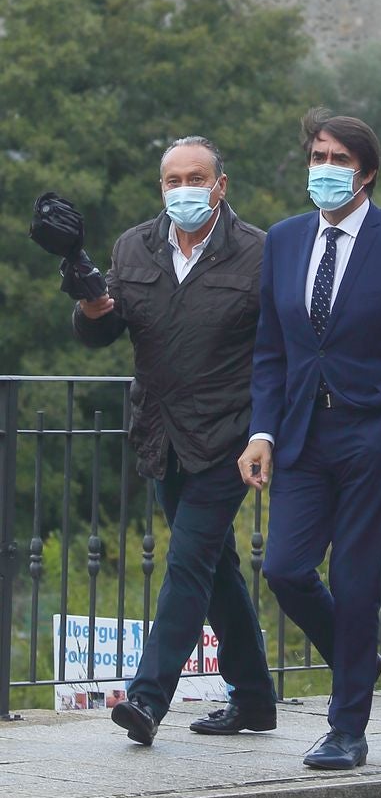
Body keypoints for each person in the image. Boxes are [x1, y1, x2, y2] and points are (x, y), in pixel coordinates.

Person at [238, 109, 381, 771]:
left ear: (367, 172)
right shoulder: (283, 240)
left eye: (340, 159)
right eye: (317, 156)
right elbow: (270, 350)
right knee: (284, 566)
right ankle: (357, 653)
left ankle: (347, 727)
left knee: (355, 576)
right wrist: (262, 430)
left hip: (374, 432)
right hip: (301, 434)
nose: (325, 169)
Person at [73, 136, 277, 746]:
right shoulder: (134, 246)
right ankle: (255, 698)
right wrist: (84, 292)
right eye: (171, 180)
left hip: (227, 438)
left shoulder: (260, 253)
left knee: (187, 563)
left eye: (196, 177)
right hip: (159, 436)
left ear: (220, 184)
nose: (183, 189)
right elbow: (103, 331)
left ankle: (147, 699)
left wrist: (266, 430)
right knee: (216, 569)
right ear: (160, 186)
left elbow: (277, 353)